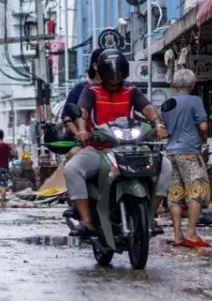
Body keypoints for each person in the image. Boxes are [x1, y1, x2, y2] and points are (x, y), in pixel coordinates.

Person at [63, 49, 167, 237]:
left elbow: (148, 107)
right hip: (99, 149)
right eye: (109, 74)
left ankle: (150, 216)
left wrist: (158, 124)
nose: (113, 78)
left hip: (131, 148)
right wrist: (82, 130)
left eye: (117, 74)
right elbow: (82, 112)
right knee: (72, 169)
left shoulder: (131, 89)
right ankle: (87, 221)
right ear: (101, 73)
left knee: (165, 166)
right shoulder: (90, 90)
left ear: (124, 72)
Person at [160, 68, 211, 248]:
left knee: (175, 194)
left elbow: (162, 130)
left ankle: (177, 236)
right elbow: (203, 126)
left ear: (174, 85)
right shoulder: (195, 101)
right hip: (190, 152)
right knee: (196, 190)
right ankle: (191, 233)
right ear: (192, 85)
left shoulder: (167, 103)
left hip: (171, 154)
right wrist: (204, 137)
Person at [61, 48, 105, 159]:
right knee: (74, 155)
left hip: (115, 142)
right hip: (89, 143)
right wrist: (79, 133)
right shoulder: (80, 89)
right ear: (95, 66)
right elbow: (66, 117)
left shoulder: (120, 88)